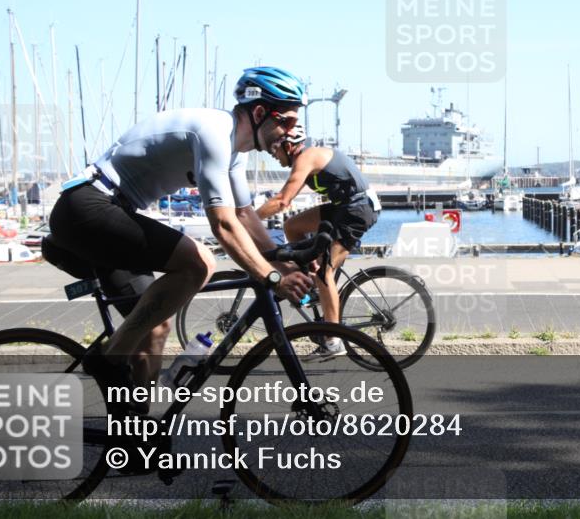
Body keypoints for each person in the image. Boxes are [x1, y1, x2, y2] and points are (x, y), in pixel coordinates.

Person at [43, 66, 314, 408]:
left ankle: (134, 439)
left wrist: (285, 262)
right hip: (87, 207)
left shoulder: (233, 152)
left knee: (153, 331)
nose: (290, 133)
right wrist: (271, 277)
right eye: (287, 121)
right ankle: (107, 359)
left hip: (112, 212)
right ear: (260, 112)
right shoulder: (214, 133)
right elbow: (225, 226)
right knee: (199, 262)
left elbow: (245, 216)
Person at [255, 125, 381, 359]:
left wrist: (249, 218)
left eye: (275, 149)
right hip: (343, 207)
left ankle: (334, 341)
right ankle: (310, 276)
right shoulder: (304, 159)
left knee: (326, 272)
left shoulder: (306, 158)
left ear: (289, 146)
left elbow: (283, 200)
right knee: (293, 226)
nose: (273, 155)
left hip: (357, 209)